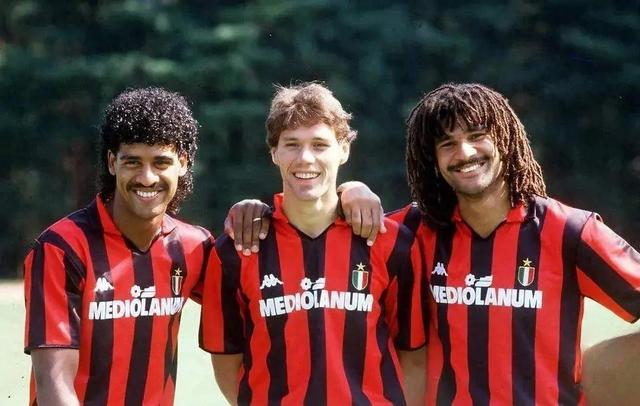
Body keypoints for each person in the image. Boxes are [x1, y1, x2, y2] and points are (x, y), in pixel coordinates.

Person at [229, 83, 640, 405]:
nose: (464, 152)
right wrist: (343, 191)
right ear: (434, 159)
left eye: (477, 136)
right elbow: (327, 223)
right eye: (447, 144)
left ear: (506, 139)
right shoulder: (415, 231)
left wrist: (604, 371)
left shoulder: (569, 231)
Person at [200, 82, 427, 405]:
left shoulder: (390, 243)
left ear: (343, 150)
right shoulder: (236, 249)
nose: (305, 158)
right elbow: (227, 361)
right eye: (292, 144)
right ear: (274, 153)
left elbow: (413, 357)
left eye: (320, 145)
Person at [23, 87, 212, 405]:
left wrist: (252, 213)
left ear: (182, 163)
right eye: (133, 162)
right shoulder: (62, 248)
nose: (147, 177)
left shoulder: (194, 247)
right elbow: (53, 381)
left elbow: (258, 299)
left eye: (161, 162)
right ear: (112, 162)